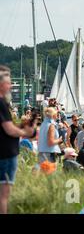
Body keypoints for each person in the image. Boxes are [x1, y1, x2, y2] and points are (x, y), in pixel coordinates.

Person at [0, 66, 36, 214]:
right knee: (4, 196)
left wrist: (21, 127)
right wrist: (24, 132)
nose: (11, 85)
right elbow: (8, 129)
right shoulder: (1, 103)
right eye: (9, 83)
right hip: (6, 154)